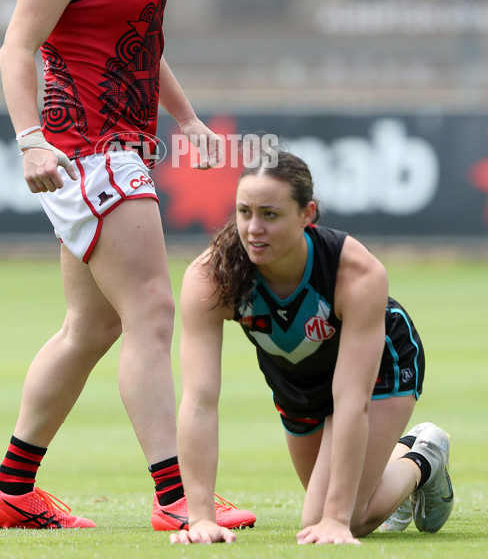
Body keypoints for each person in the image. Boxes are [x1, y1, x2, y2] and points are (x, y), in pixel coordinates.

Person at [0, 0, 255, 532]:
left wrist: (187, 118)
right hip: (86, 150)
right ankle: (178, 499)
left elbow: (141, 41)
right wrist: (30, 138)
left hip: (124, 147)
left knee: (90, 328)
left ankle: (11, 489)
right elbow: (16, 46)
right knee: (154, 313)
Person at [170, 150, 454, 545]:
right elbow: (199, 401)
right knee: (335, 502)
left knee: (336, 516)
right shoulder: (210, 277)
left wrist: (337, 520)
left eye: (270, 214)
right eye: (244, 212)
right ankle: (390, 480)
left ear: (307, 214)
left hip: (378, 369)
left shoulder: (355, 271)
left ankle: (424, 456)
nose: (253, 228)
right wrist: (200, 518)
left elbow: (352, 398)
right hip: (296, 379)